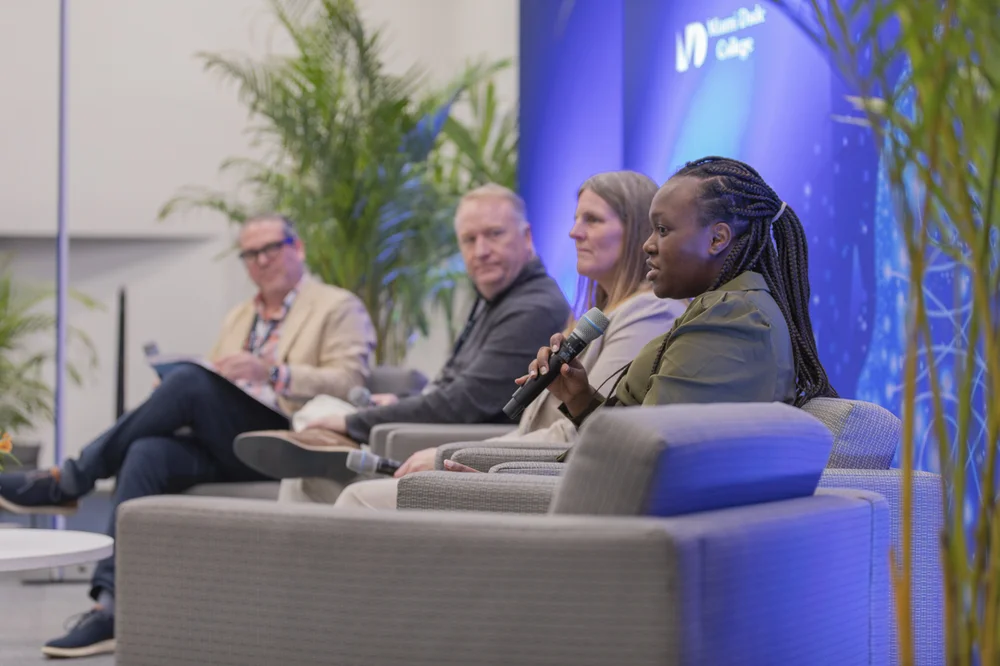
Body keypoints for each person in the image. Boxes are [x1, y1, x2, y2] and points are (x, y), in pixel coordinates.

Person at [0, 214, 377, 659]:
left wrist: (273, 371)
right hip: (228, 441)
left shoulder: (337, 306)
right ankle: (111, 610)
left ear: (298, 248)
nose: (260, 261)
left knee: (190, 385)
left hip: (288, 441)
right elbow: (221, 381)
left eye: (270, 248)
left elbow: (353, 380)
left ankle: (68, 480)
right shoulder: (241, 315)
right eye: (250, 254)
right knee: (148, 450)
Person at [333, 170, 689, 509]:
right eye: (576, 219)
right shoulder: (594, 316)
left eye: (592, 220)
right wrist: (464, 457)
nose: (573, 232)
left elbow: (589, 434)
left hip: (551, 484)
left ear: (639, 231)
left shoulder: (649, 312)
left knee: (358, 498)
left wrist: (451, 456)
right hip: (521, 470)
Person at [233, 184, 571, 497]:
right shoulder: (499, 296)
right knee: (313, 440)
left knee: (314, 459)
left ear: (527, 237)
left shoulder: (533, 307)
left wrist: (353, 423)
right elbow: (454, 387)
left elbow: (464, 402)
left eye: (494, 235)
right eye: (469, 240)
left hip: (471, 452)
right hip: (443, 434)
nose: (481, 251)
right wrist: (398, 400)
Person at [530, 156, 837, 448]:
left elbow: (644, 452)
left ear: (717, 239)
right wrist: (580, 398)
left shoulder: (732, 316)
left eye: (662, 230)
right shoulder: (721, 308)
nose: (648, 245)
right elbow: (637, 440)